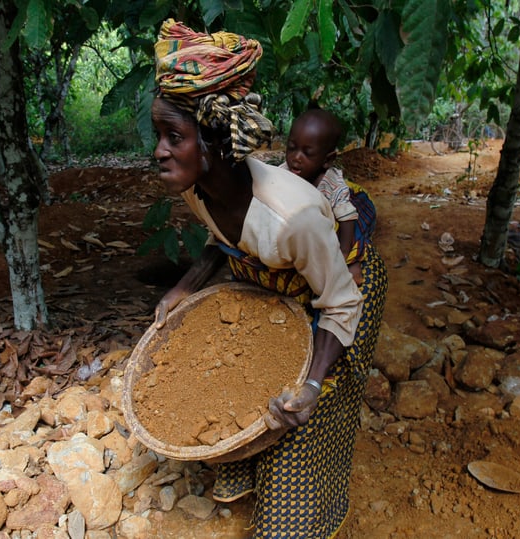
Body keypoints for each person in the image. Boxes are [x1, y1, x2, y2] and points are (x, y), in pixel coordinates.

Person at [149, 19, 388, 538]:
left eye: (173, 137)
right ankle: (244, 470)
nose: (159, 152)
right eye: (158, 136)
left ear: (211, 142)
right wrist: (185, 286)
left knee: (301, 421)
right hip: (277, 291)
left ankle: (306, 504)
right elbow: (224, 240)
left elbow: (342, 303)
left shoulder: (294, 215)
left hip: (341, 295)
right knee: (243, 388)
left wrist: (312, 383)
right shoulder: (197, 188)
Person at [281, 109, 375, 285]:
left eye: (307, 153)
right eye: (292, 148)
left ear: (327, 160)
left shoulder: (332, 184)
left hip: (339, 220)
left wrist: (344, 253)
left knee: (356, 226)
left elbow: (347, 217)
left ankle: (354, 263)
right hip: (306, 225)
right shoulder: (284, 171)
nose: (296, 158)